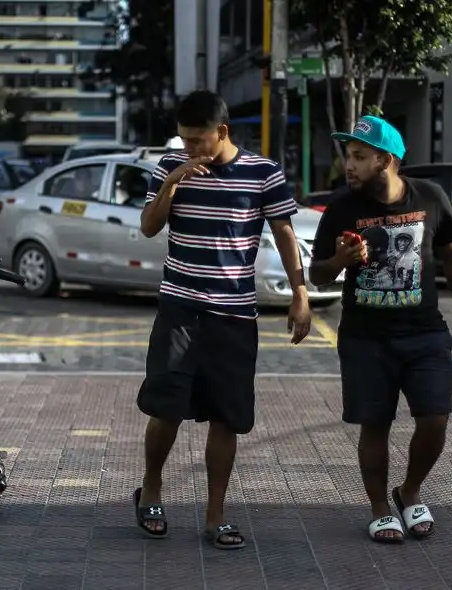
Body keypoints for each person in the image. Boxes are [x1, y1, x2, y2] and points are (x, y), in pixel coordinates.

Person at [133, 90, 313, 550]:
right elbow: (149, 227)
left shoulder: (262, 173)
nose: (191, 148)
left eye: (198, 141)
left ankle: (216, 516)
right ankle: (151, 489)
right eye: (184, 140)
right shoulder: (170, 167)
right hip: (180, 309)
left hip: (233, 316)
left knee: (226, 418)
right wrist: (173, 180)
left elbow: (285, 233)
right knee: (165, 408)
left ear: (223, 132)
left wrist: (300, 293)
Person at [308, 116, 452, 544]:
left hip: (423, 333)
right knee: (374, 425)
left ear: (387, 160)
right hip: (365, 337)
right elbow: (318, 274)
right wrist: (342, 261)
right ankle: (380, 507)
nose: (350, 165)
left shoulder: (430, 198)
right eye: (349, 155)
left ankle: (410, 491)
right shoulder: (343, 207)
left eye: (360, 156)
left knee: (435, 419)